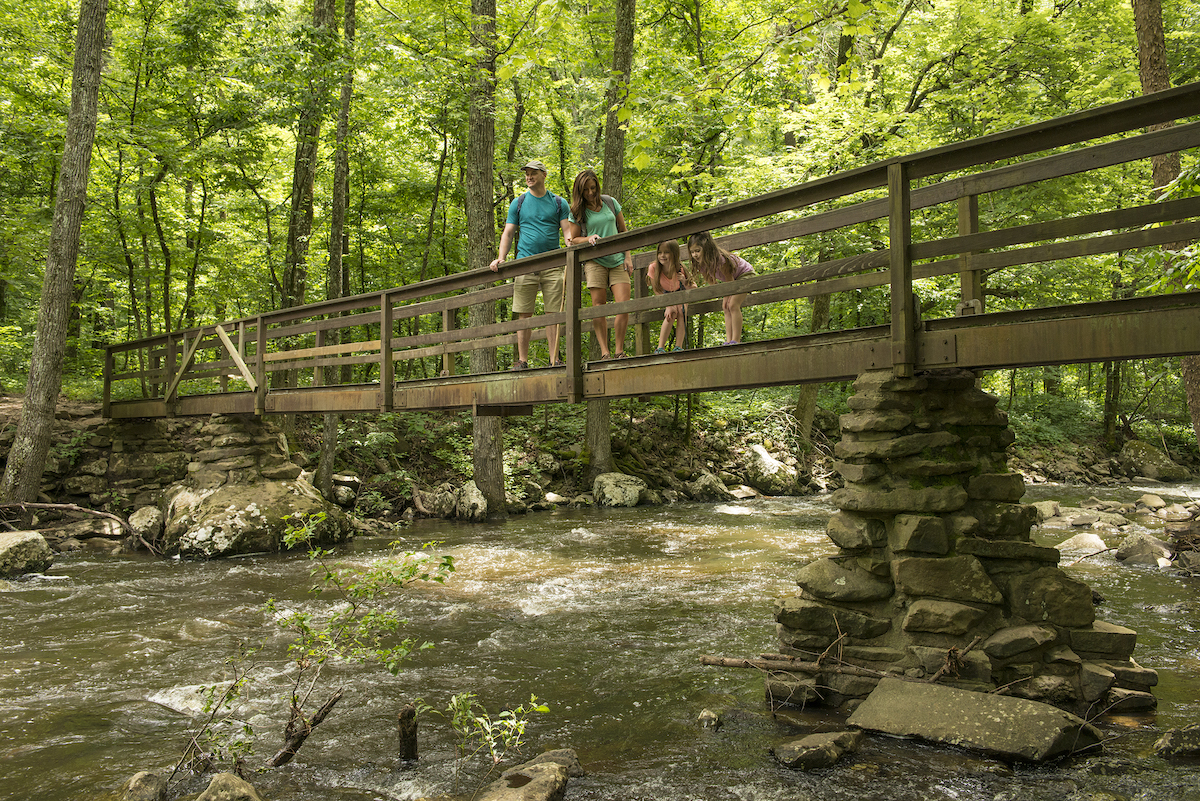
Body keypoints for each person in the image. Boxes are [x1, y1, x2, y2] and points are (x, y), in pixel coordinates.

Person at [489, 160, 572, 370]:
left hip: (553, 263)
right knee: (524, 312)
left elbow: (567, 232)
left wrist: (572, 249)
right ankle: (523, 360)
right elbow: (508, 233)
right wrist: (501, 257)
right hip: (525, 263)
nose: (529, 177)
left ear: (544, 174)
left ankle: (555, 358)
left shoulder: (559, 203)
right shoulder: (518, 202)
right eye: (527, 173)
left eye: (533, 173)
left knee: (553, 314)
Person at [565, 169, 634, 360]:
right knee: (599, 306)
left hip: (618, 259)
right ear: (579, 191)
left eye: (592, 188)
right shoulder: (577, 211)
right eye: (585, 190)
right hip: (595, 262)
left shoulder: (610, 203)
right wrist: (589, 238)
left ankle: (619, 350)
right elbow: (573, 239)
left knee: (623, 304)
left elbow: (623, 231)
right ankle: (605, 352)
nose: (590, 193)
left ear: (597, 186)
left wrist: (628, 256)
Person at [687, 231, 755, 346]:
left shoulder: (721, 260)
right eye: (692, 252)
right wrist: (724, 297)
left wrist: (728, 297)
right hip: (729, 283)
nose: (695, 255)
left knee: (733, 304)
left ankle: (736, 340)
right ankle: (728, 340)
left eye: (698, 251)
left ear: (707, 248)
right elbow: (712, 283)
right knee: (725, 306)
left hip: (745, 275)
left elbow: (730, 282)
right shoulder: (701, 265)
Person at [647, 240, 693, 354]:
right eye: (660, 252)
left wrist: (685, 281)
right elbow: (656, 289)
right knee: (671, 313)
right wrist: (668, 305)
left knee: (681, 311)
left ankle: (678, 346)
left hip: (680, 293)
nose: (662, 255)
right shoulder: (653, 268)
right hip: (664, 294)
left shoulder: (680, 268)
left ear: (674, 254)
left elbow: (693, 287)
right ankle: (660, 347)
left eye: (666, 252)